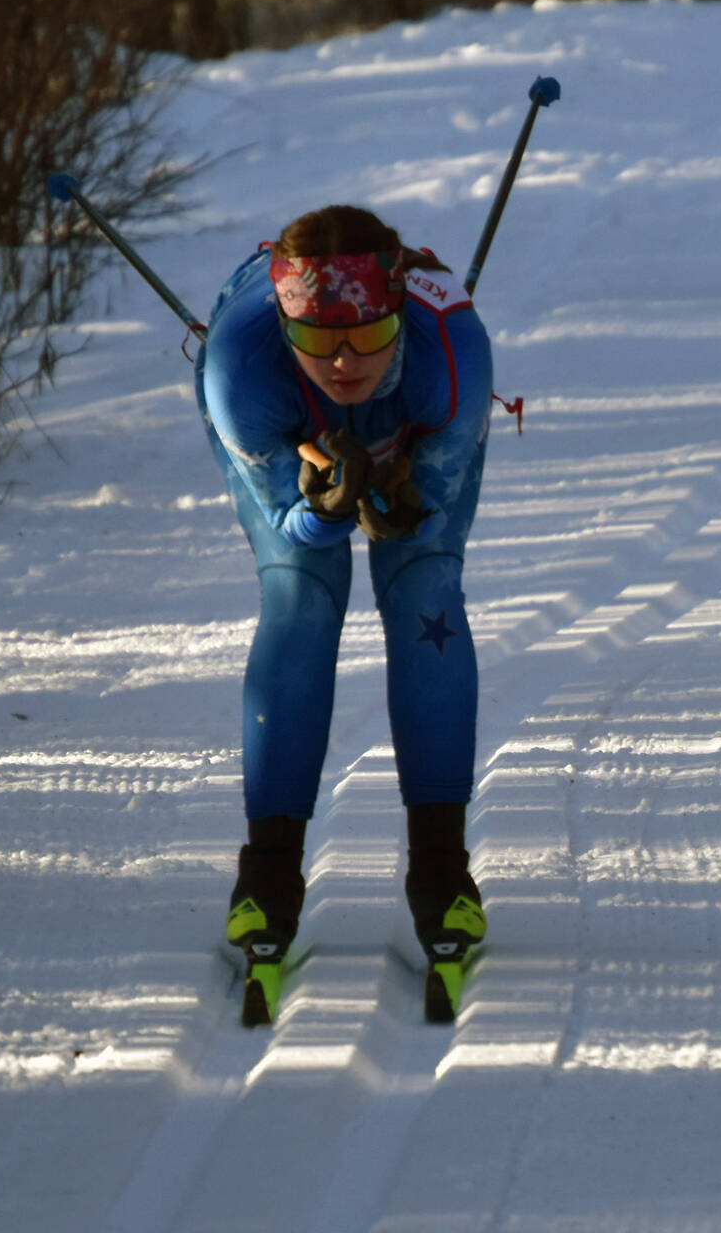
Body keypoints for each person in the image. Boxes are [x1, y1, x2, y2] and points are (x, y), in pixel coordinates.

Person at [194, 205, 494, 1023]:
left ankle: (443, 872)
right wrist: (324, 513)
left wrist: (399, 500)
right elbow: (290, 522)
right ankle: (267, 876)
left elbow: (423, 510)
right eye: (320, 340)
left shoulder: (453, 359)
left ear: (397, 311)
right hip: (282, 433)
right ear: (287, 326)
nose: (344, 362)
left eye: (366, 334)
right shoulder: (242, 372)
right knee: (300, 597)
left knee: (423, 587)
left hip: (422, 421)